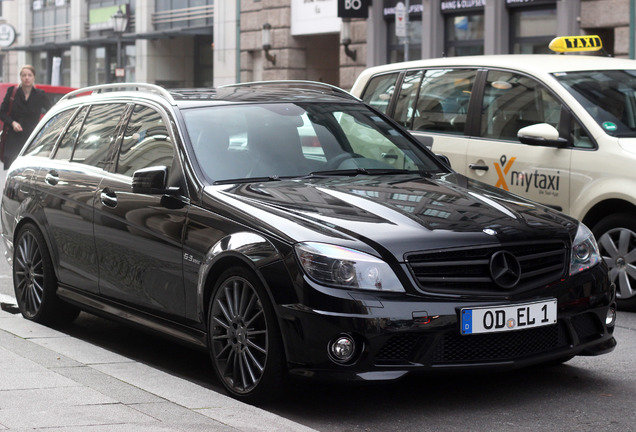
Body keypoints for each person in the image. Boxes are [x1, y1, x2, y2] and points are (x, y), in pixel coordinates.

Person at [0, 65, 51, 170]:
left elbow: (51, 111)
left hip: (31, 138)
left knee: (28, 170)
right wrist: (12, 123)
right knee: (12, 170)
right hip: (13, 138)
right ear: (20, 77)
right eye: (24, 75)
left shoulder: (40, 95)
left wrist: (43, 128)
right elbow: (2, 112)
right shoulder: (12, 92)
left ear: (34, 78)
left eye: (29, 75)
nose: (27, 78)